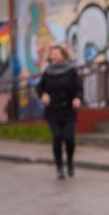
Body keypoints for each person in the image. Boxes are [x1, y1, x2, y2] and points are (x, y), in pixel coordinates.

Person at [36, 43, 83, 180]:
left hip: (68, 110)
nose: (54, 55)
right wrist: (43, 95)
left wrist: (77, 99)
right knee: (57, 137)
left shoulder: (71, 71)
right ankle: (59, 168)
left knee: (69, 137)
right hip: (53, 110)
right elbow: (40, 88)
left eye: (57, 53)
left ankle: (69, 162)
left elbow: (79, 89)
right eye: (52, 54)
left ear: (63, 56)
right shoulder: (48, 71)